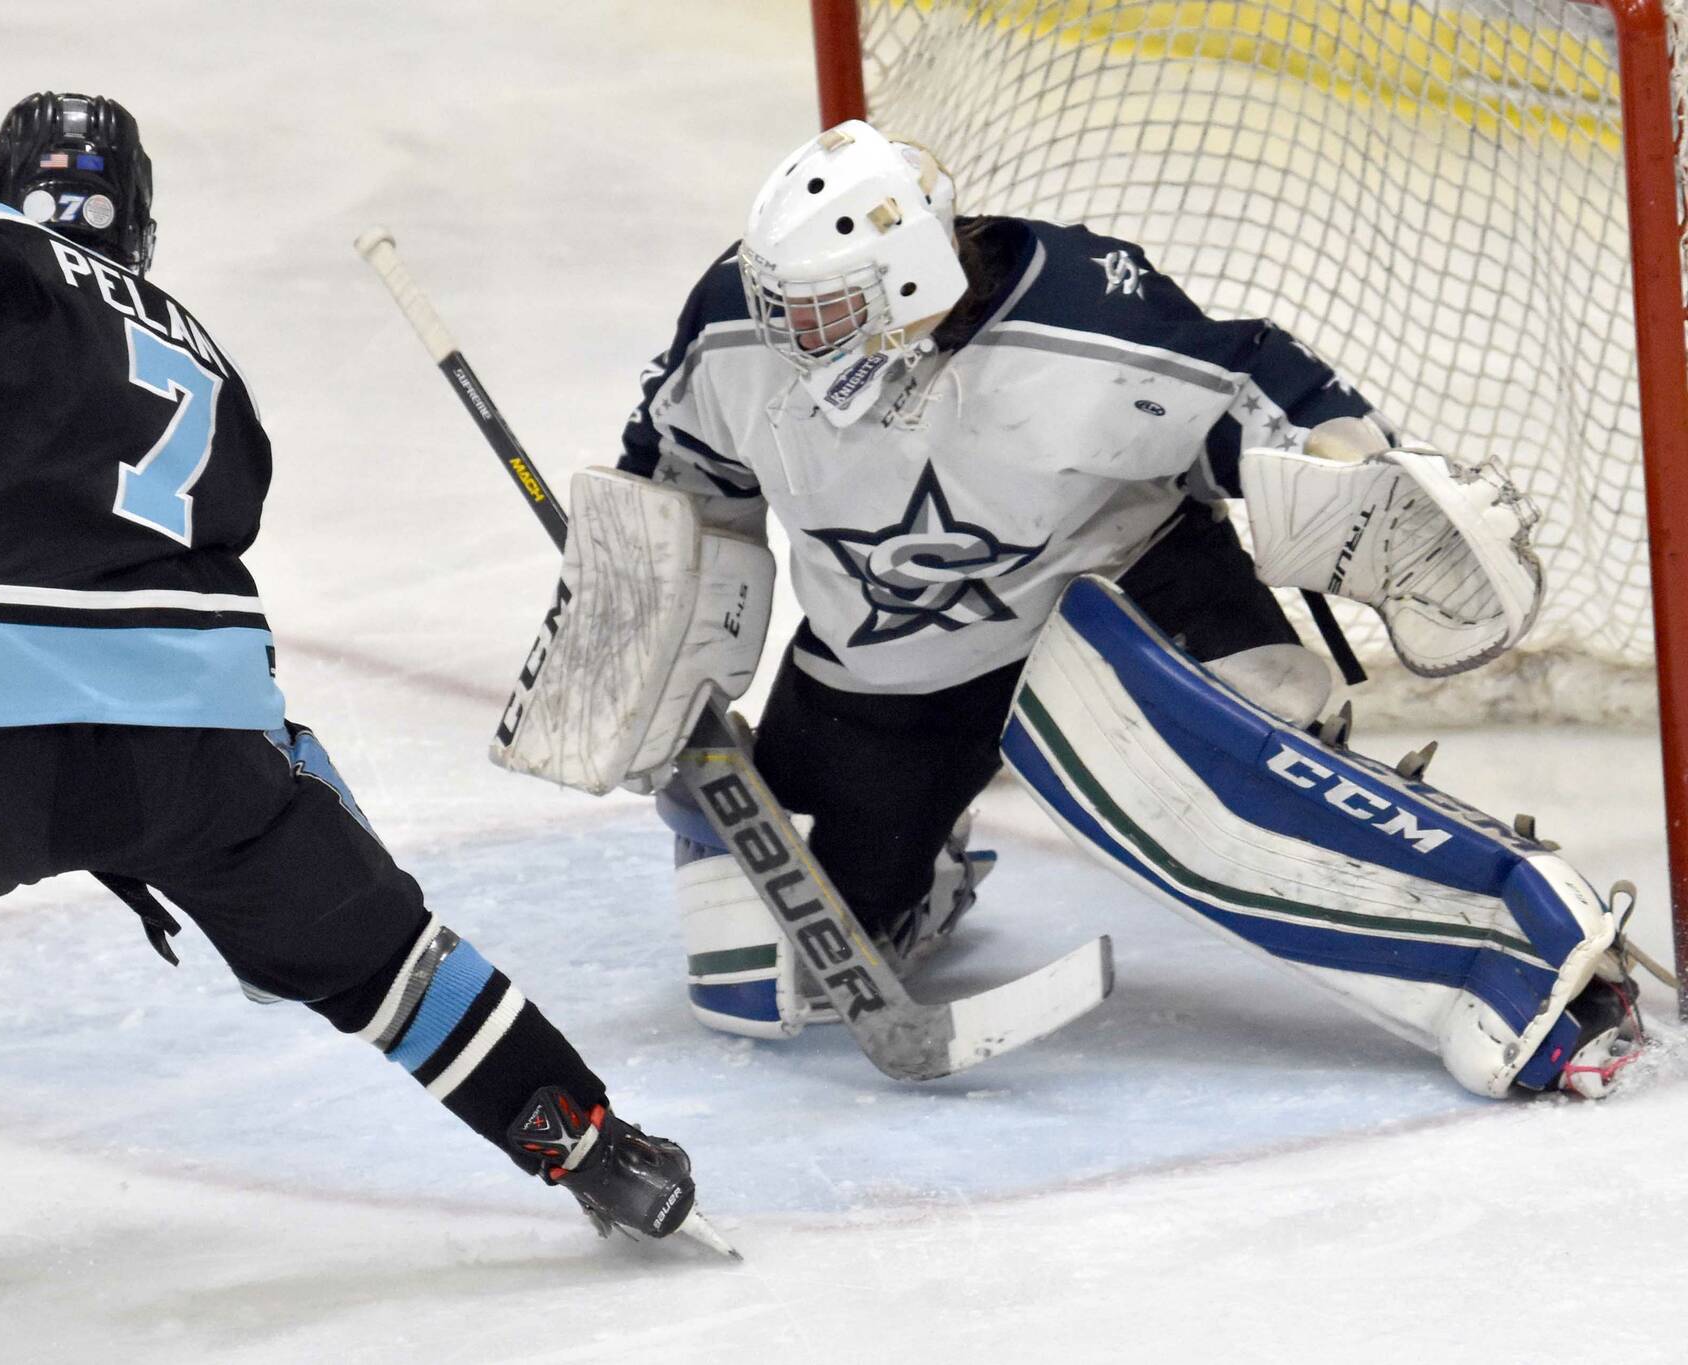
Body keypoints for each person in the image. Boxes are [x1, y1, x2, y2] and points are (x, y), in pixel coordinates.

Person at [0, 91, 728, 1310]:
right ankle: (595, 1148)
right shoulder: (204, 354)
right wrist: (314, 857)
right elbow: (167, 585)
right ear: (137, 223)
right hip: (199, 739)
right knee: (379, 956)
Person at [492, 119, 1643, 1100]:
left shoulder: (1089, 317)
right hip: (890, 671)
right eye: (778, 307)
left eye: (823, 316)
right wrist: (651, 651)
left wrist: (1351, 470)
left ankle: (1527, 950)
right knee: (763, 973)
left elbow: (1249, 385)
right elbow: (683, 483)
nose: (789, 339)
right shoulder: (739, 326)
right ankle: (912, 861)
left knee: (1239, 788)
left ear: (908, 285)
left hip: (1117, 594)